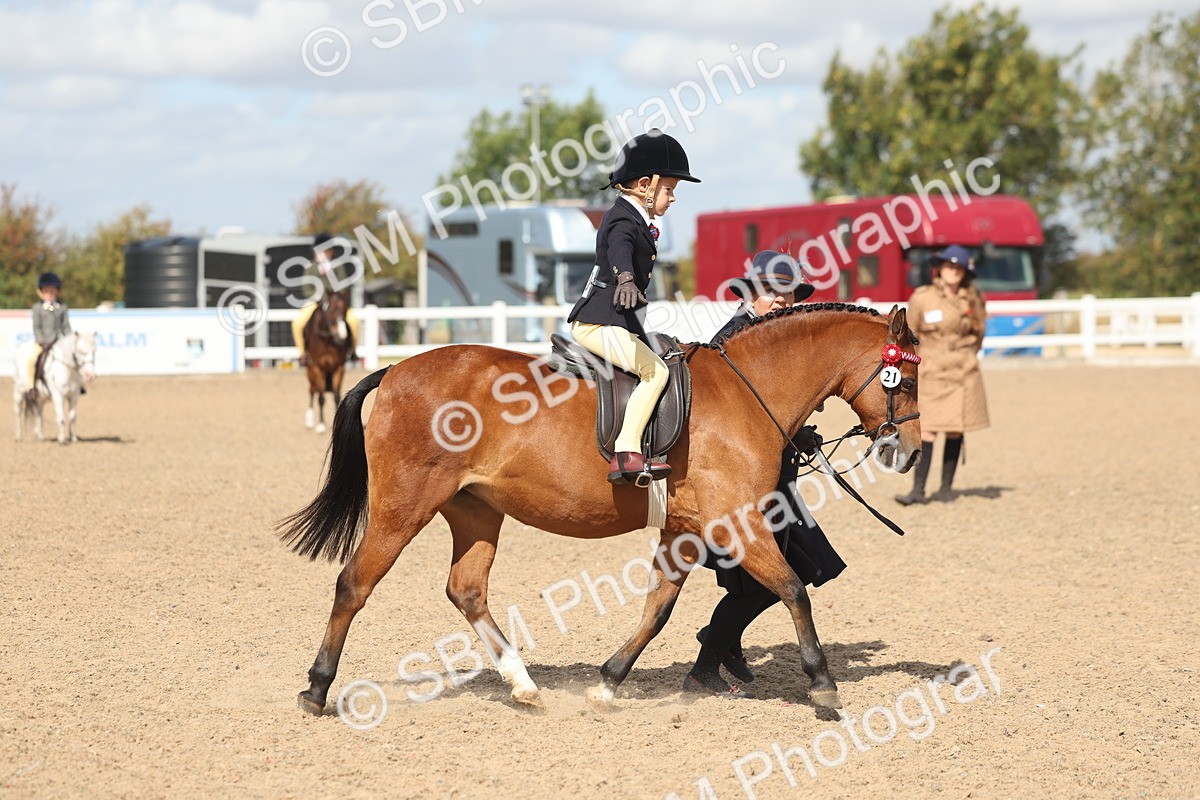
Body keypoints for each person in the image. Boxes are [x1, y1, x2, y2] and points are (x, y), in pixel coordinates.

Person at [683, 251, 848, 698]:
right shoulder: (730, 339)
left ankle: (717, 650)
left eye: (788, 293)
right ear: (751, 293)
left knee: (776, 574)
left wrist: (801, 435)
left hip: (772, 477)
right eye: (772, 292)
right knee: (777, 575)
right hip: (736, 484)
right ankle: (708, 661)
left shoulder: (779, 341)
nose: (781, 300)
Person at [567, 129, 699, 486]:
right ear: (645, 184)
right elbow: (619, 246)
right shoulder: (624, 218)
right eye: (669, 189)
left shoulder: (637, 218)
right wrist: (625, 277)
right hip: (597, 323)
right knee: (655, 372)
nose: (673, 198)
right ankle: (627, 452)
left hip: (615, 321)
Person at [895, 244, 989, 505]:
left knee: (957, 430)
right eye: (949, 266)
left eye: (958, 267)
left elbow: (979, 333)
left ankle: (946, 488)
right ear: (939, 268)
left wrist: (969, 355)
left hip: (964, 370)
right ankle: (918, 490)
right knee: (929, 430)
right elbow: (908, 334)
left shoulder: (972, 297)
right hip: (933, 369)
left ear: (965, 272)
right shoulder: (923, 297)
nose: (953, 271)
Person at [290, 233, 360, 366]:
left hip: (335, 303)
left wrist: (331, 288)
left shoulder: (337, 266)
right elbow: (306, 289)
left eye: (326, 251)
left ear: (331, 251)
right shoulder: (310, 267)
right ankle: (302, 354)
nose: (323, 254)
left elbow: (344, 288)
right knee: (297, 323)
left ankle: (353, 351)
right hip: (315, 302)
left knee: (354, 321)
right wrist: (319, 296)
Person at [26, 272, 72, 403]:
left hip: (58, 342)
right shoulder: (37, 308)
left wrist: (69, 340)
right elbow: (37, 327)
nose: (50, 294)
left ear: (57, 292)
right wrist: (41, 341)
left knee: (74, 358)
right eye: (47, 291)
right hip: (43, 343)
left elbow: (66, 327)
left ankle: (77, 385)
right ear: (42, 292)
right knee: (31, 359)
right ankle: (32, 387)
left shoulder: (62, 307)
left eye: (52, 291)